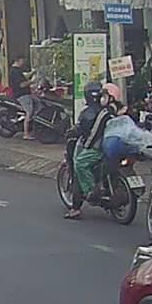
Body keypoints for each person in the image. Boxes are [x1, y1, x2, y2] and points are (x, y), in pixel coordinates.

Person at [65, 81, 117, 219]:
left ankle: (84, 198)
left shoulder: (88, 113)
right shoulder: (113, 110)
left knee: (79, 165)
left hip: (97, 147)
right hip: (112, 148)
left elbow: (86, 132)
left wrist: (73, 133)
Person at [7, 57, 34, 139]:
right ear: (17, 60)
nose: (23, 62)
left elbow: (25, 76)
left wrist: (33, 72)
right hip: (22, 95)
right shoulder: (14, 72)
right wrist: (32, 81)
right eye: (22, 60)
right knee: (29, 112)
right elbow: (21, 85)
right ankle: (26, 134)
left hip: (25, 94)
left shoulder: (17, 70)